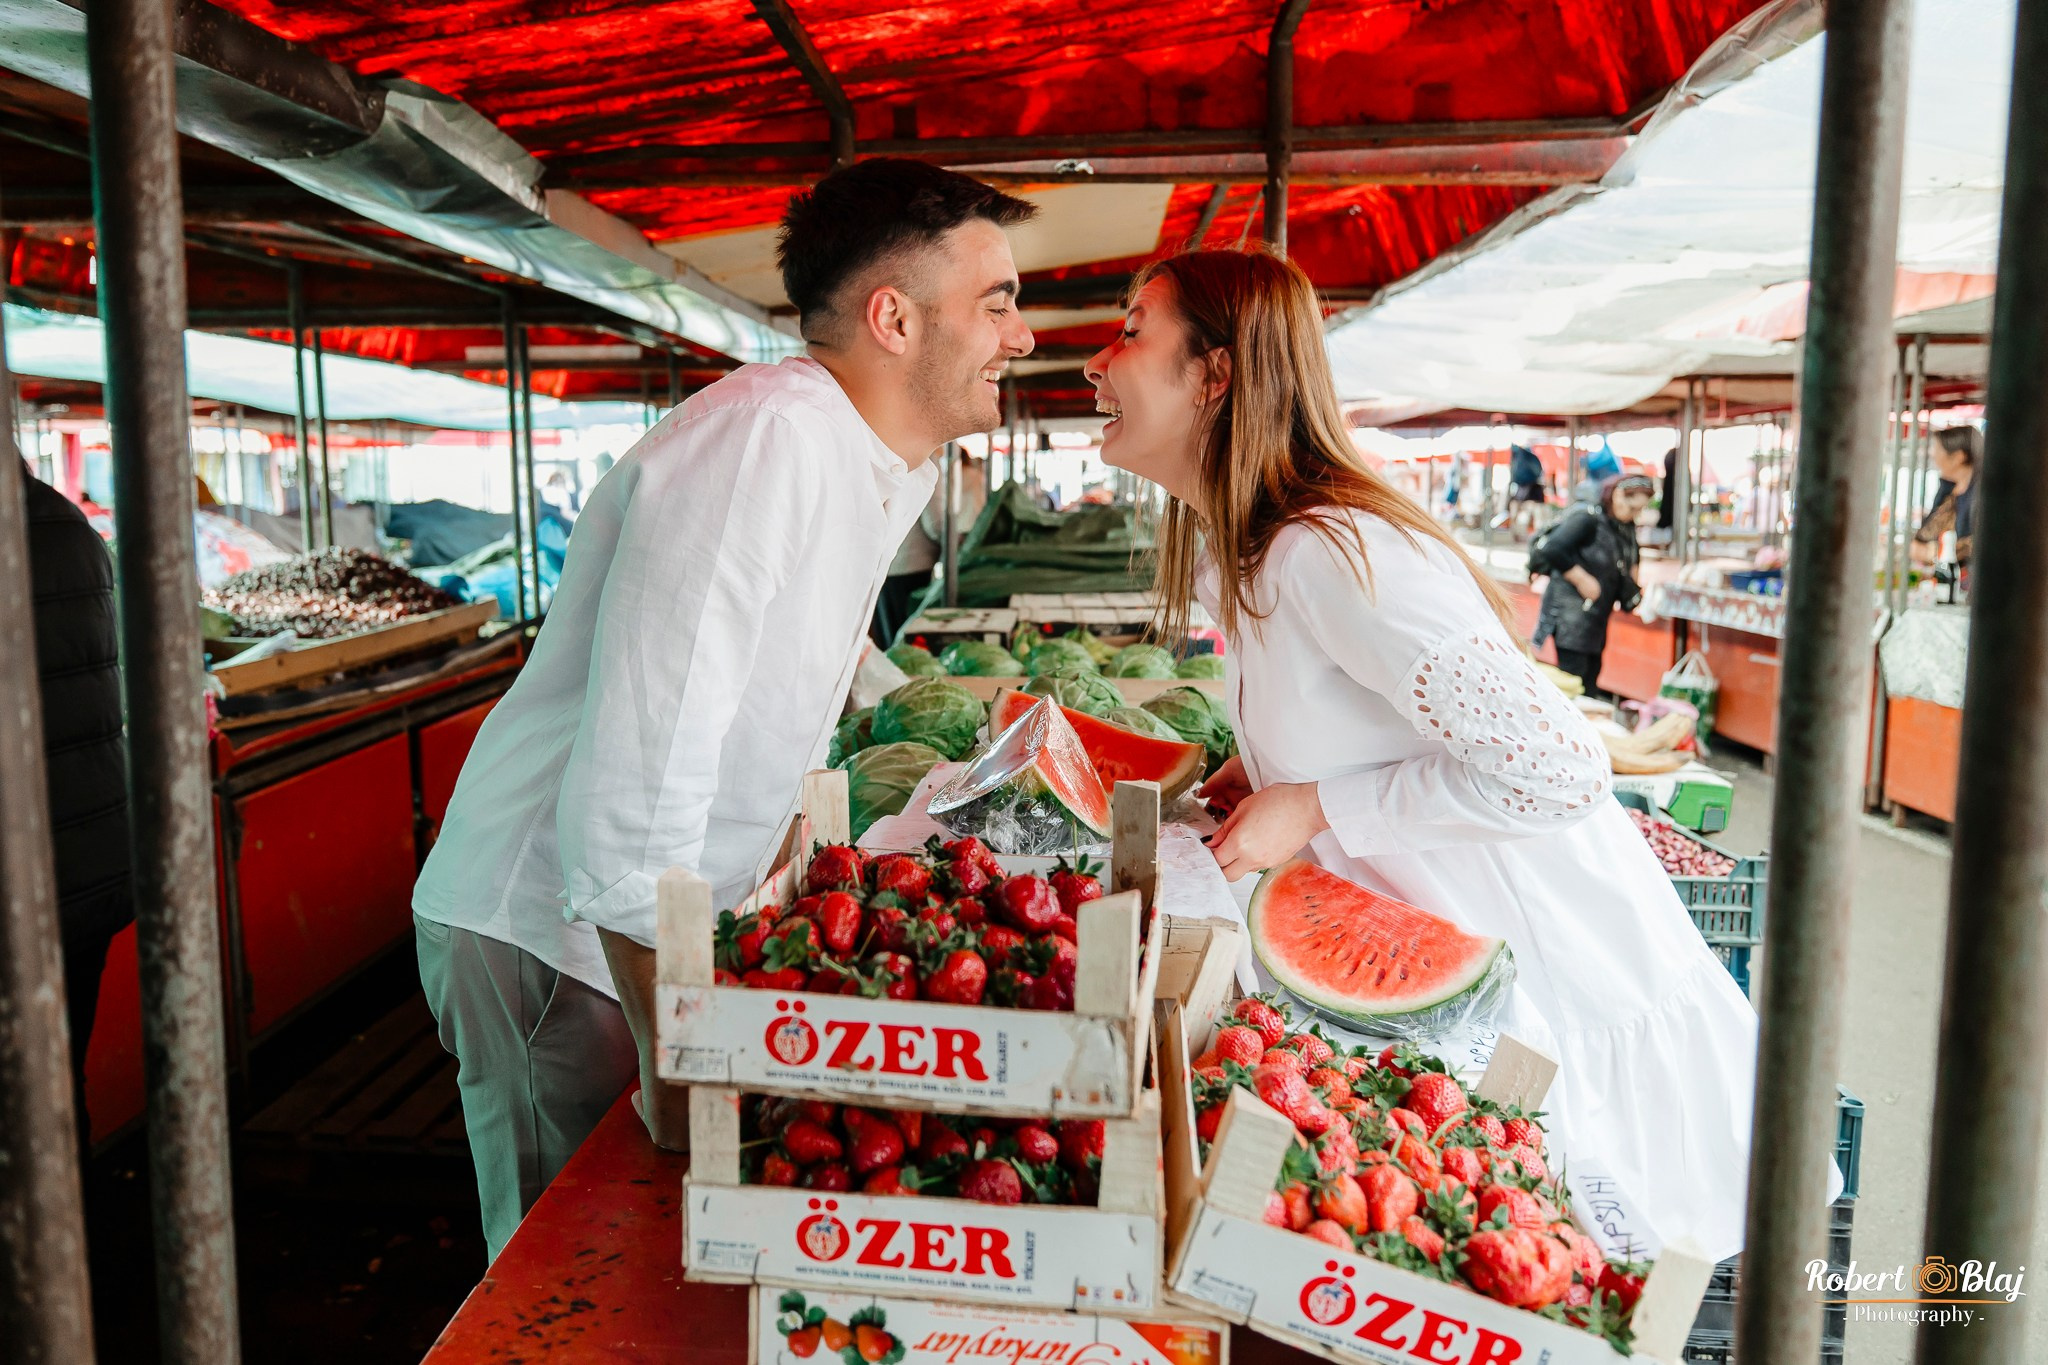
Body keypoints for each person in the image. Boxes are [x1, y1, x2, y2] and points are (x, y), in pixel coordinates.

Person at [411, 159, 1037, 1260]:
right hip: (562, 935)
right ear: (892, 318)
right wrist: (682, 1060)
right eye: (996, 305)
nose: (1021, 337)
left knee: (651, 1243)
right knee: (575, 1268)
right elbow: (635, 793)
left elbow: (800, 651)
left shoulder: (868, 457)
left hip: (648, 928)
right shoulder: (766, 442)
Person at [1084, 248, 1764, 1259]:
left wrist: (1316, 806)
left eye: (1131, 330)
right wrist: (1260, 765)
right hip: (1447, 1016)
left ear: (1214, 375)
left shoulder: (1328, 553)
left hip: (1545, 1004)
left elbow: (1557, 768)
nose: (1096, 361)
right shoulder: (1252, 557)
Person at [22, 468, 134, 1152]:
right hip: (86, 870)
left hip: (28, 883)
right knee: (59, 1085)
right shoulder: (69, 525)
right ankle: (80, 1247)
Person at [1529, 472, 1653, 699]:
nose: (1634, 514)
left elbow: (1630, 561)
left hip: (1595, 619)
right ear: (1616, 496)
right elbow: (1552, 549)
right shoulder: (1588, 518)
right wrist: (1581, 578)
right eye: (1632, 507)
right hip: (1571, 616)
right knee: (1573, 683)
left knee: (1590, 680)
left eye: (1639, 510)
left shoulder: (1623, 527)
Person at [1910, 426, 1979, 580]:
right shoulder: (1948, 490)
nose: (1933, 455)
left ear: (1958, 457)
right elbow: (1919, 542)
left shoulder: (1981, 494)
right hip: (1948, 580)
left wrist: (1933, 552)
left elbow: (1974, 546)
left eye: (1937, 449)